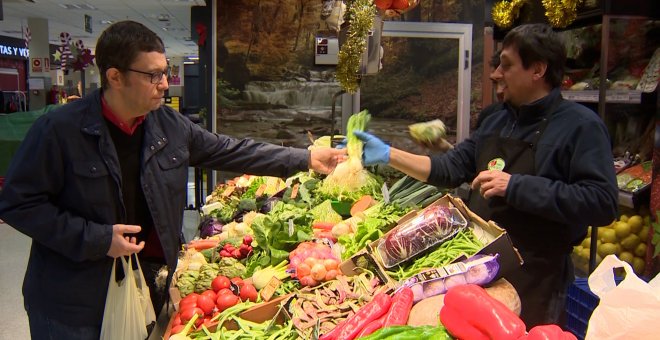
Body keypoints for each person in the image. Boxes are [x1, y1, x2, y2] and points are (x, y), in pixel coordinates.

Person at [0, 20, 346, 340]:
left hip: (146, 287)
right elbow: (18, 204)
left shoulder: (167, 125)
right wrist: (97, 238)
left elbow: (232, 150)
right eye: (153, 75)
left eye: (165, 73)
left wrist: (304, 158)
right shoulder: (59, 130)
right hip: (72, 302)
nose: (165, 84)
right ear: (115, 77)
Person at [352, 23, 618, 328]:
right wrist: (388, 154)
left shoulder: (581, 126)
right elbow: (449, 169)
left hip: (537, 277)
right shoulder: (495, 118)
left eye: (506, 65)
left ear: (538, 70)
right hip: (478, 266)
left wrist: (516, 186)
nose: (495, 74)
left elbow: (603, 202)